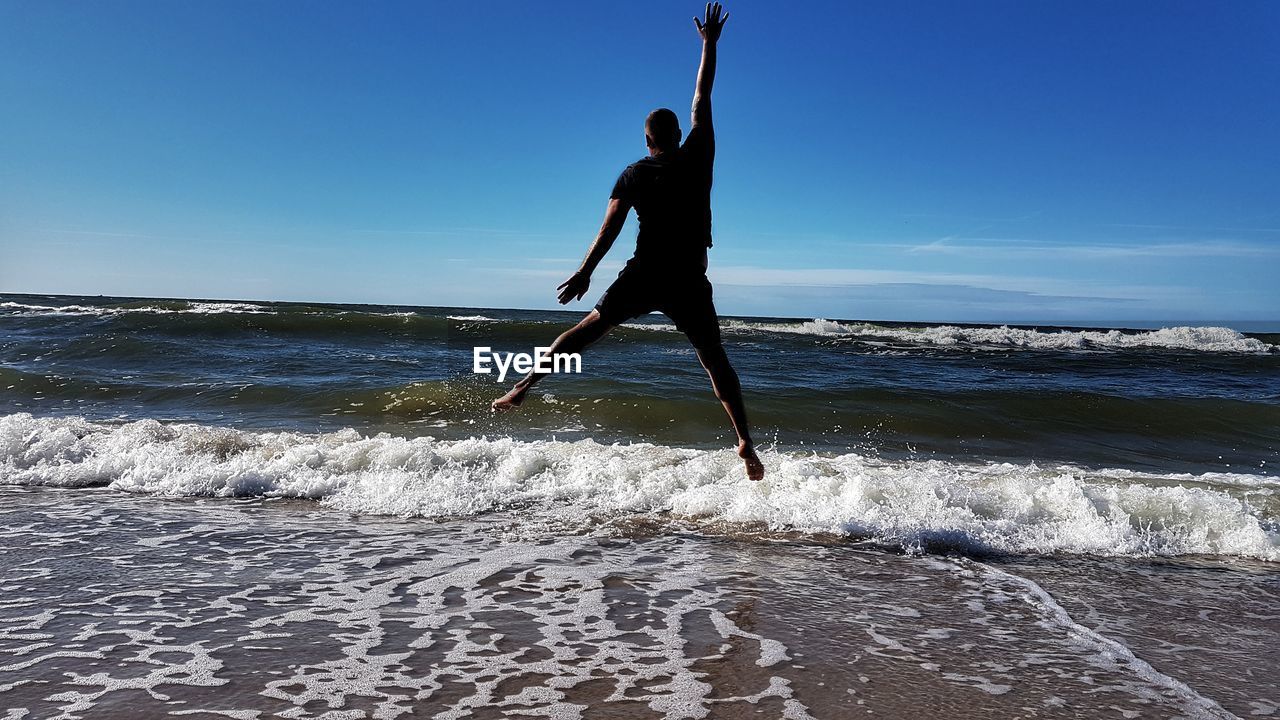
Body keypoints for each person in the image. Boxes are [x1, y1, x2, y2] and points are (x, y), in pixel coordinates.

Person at [492, 3, 764, 482]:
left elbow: (610, 229)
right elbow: (702, 97)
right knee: (714, 360)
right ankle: (742, 435)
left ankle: (522, 387)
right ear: (679, 134)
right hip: (688, 277)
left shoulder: (634, 172)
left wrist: (585, 271)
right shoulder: (700, 154)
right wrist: (709, 44)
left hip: (645, 273)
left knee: (588, 329)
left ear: (646, 139)